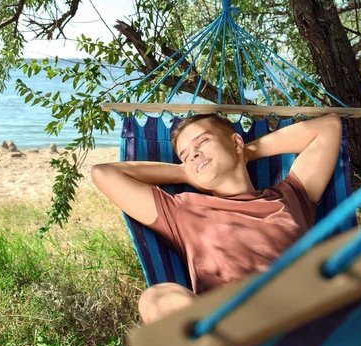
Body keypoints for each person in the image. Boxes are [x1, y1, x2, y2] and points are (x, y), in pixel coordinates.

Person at [91, 113, 342, 324]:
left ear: (235, 142)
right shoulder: (182, 211)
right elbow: (104, 173)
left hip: (304, 319)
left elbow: (329, 127)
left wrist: (247, 152)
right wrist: (186, 173)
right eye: (184, 154)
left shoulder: (290, 197)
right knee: (156, 299)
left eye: (202, 142)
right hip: (232, 332)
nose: (193, 154)